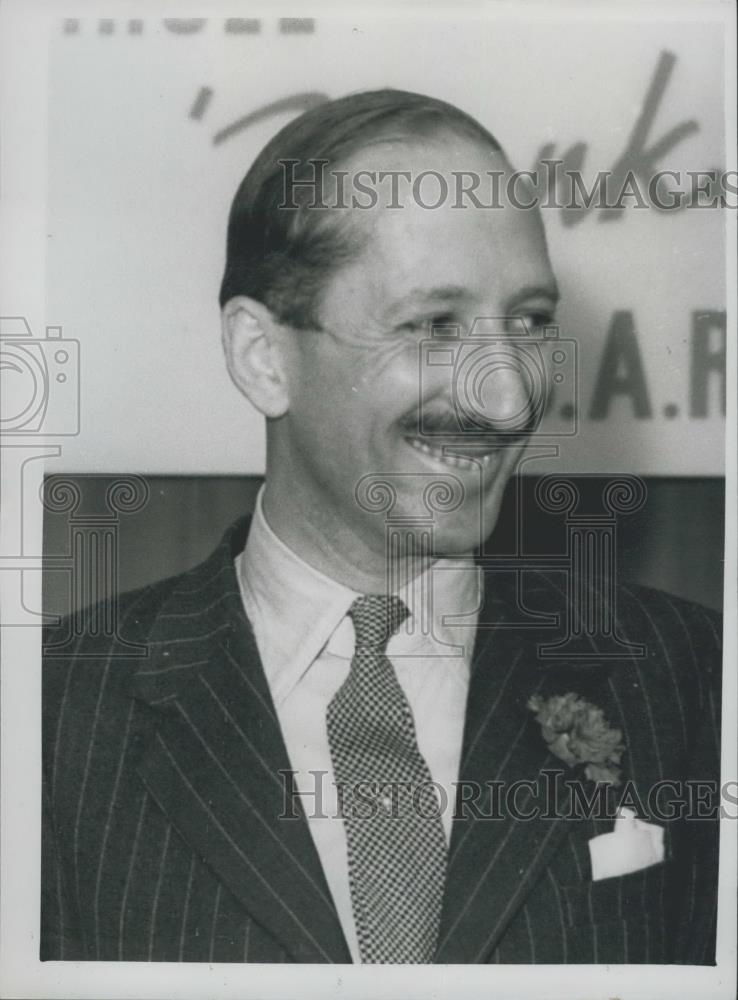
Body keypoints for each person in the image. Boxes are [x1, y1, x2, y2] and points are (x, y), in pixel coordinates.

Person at [41, 89, 722, 965]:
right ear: (262, 357)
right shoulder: (50, 719)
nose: (510, 397)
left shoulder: (697, 680)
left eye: (530, 323)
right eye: (435, 326)